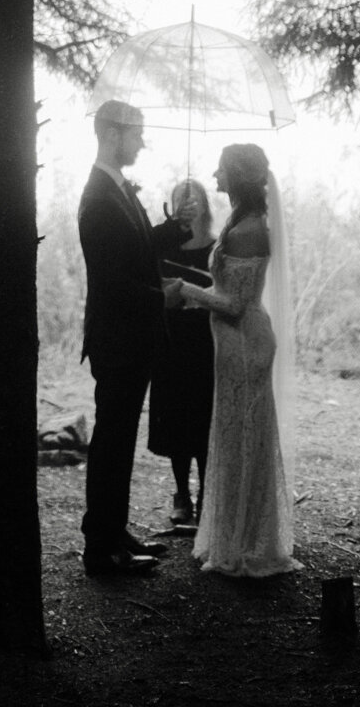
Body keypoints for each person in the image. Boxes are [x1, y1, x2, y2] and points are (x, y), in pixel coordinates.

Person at [171, 142, 298, 577]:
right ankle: (240, 535)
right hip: (233, 346)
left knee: (243, 438)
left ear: (238, 176)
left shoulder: (248, 229)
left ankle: (247, 542)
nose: (215, 176)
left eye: (222, 170)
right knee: (235, 437)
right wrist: (193, 285)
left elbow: (236, 304)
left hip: (246, 344)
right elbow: (225, 288)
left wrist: (183, 291)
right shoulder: (241, 221)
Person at [77, 99, 187, 577]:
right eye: (137, 133)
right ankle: (101, 548)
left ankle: (113, 531)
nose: (142, 141)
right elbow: (113, 281)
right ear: (112, 133)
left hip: (129, 338)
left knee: (118, 440)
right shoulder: (98, 196)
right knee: (112, 442)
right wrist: (160, 299)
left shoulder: (115, 189)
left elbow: (133, 251)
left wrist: (171, 230)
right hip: (118, 339)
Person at [148, 177, 216, 529]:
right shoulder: (163, 247)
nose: (189, 204)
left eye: (194, 199)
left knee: (203, 416)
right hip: (172, 337)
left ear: (205, 203)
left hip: (205, 339)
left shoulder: (217, 248)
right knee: (175, 416)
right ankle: (180, 495)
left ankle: (207, 494)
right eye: (181, 199)